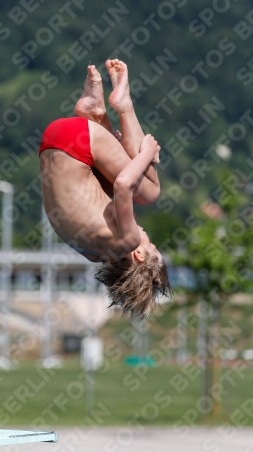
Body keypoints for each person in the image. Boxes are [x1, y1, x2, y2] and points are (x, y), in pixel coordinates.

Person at [39, 59, 172, 319]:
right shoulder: (92, 253)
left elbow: (123, 184)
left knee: (149, 193)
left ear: (139, 256)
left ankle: (124, 106)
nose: (146, 234)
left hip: (75, 142)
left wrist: (147, 154)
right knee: (112, 189)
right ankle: (94, 112)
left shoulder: (128, 241)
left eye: (152, 245)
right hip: (51, 143)